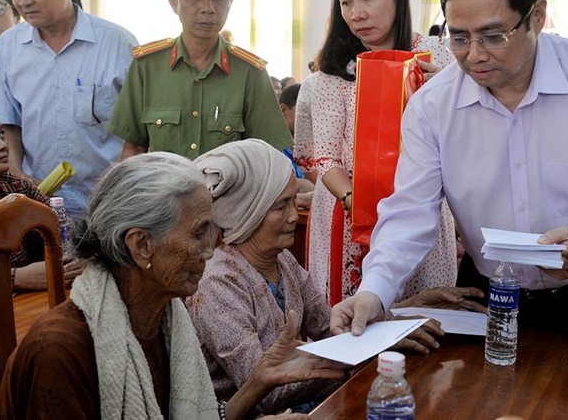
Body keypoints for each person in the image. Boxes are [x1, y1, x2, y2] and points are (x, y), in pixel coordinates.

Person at [331, 0, 568, 336]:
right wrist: (375, 291)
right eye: (459, 38)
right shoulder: (433, 106)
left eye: (493, 36)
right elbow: (409, 213)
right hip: (487, 295)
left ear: (537, 17)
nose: (474, 55)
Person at [0, 152, 345, 420]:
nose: (210, 251)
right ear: (141, 245)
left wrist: (259, 381)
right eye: (197, 234)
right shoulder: (61, 349)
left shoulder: (163, 318)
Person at [187, 139, 485, 416]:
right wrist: (374, 349)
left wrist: (410, 308)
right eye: (281, 206)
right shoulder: (218, 283)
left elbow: (330, 329)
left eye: (294, 201)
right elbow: (265, 392)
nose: (294, 215)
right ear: (247, 213)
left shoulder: (282, 261)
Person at [294, 0, 459, 304]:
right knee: (354, 325)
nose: (357, 13)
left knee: (421, 321)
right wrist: (363, 204)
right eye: (346, 2)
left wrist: (446, 94)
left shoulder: (440, 59)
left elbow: (471, 138)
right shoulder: (330, 75)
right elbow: (325, 161)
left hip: (422, 210)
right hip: (350, 215)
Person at [108, 0, 293, 161]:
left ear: (230, 1)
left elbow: (268, 156)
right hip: (165, 196)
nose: (208, 8)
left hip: (229, 197)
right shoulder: (147, 67)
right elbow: (133, 150)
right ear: (173, 1)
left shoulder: (250, 73)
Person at [0, 0, 138, 220]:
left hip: (105, 205)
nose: (23, 1)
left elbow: (136, 136)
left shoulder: (118, 44)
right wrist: (19, 178)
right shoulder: (7, 47)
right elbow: (10, 125)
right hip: (38, 203)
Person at [0, 98, 81, 302]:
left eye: (1, 134)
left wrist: (75, 260)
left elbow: (62, 237)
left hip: (20, 308)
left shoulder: (16, 188)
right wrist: (15, 278)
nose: (3, 146)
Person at [279, 84, 315, 207]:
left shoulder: (319, 144)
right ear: (283, 110)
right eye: (303, 111)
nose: (310, 117)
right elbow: (283, 183)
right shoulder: (273, 146)